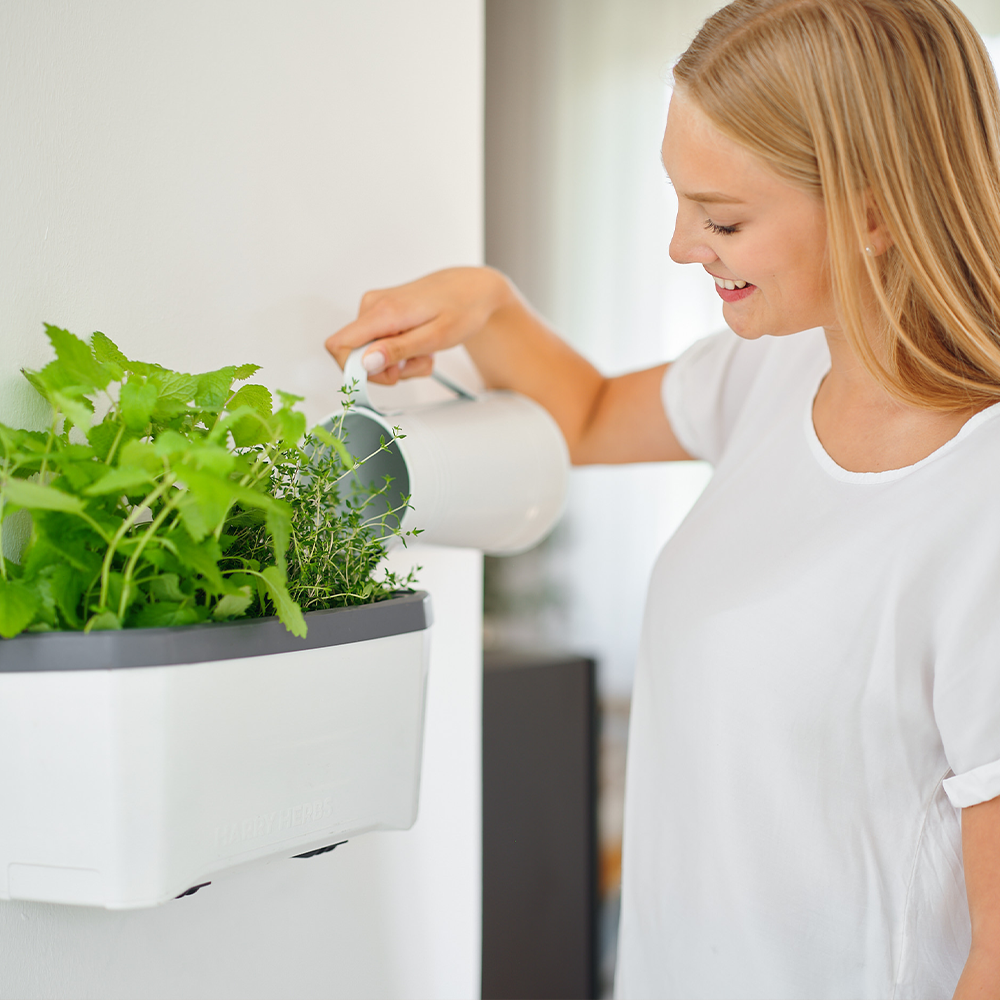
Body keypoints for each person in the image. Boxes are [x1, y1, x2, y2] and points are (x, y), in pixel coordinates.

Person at [325, 1, 1000, 996]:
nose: (684, 247)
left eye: (723, 217)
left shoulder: (975, 505)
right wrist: (489, 305)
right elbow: (590, 415)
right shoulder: (775, 372)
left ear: (873, 209)